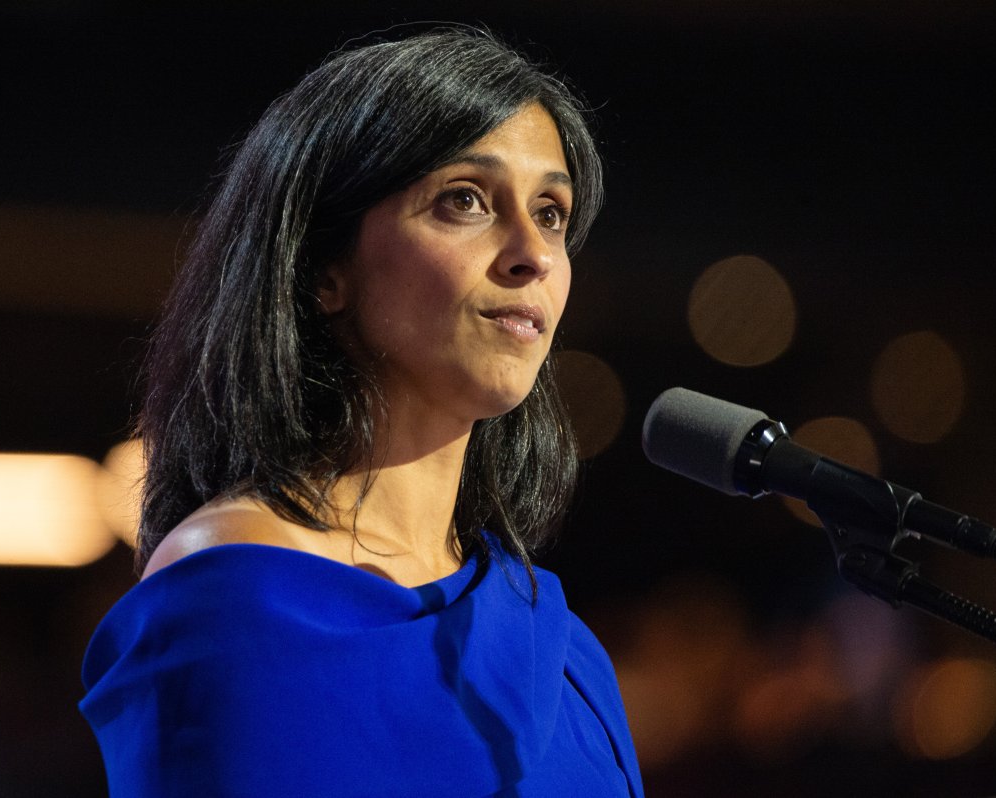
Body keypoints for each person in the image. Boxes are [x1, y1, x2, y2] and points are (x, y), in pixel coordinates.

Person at [79, 26, 644, 797]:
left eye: (551, 212)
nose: (533, 253)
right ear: (323, 268)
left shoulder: (567, 654)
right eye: (466, 200)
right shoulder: (236, 593)